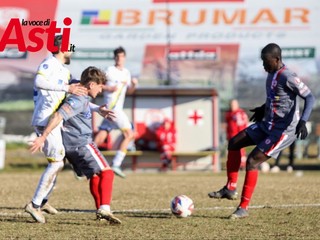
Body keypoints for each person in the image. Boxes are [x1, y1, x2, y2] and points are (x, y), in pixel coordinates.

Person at [208, 43, 315, 219]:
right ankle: (230, 188)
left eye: (266, 61)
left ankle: (243, 208)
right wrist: (262, 108)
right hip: (268, 123)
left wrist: (303, 121)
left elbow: (309, 97)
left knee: (252, 161)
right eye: (262, 61)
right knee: (234, 143)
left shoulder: (288, 76)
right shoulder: (271, 75)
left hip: (283, 130)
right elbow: (278, 98)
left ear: (277, 59)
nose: (263, 65)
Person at [30, 66, 121, 224]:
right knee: (107, 173)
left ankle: (101, 210)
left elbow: (79, 99)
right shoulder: (78, 98)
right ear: (91, 84)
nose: (100, 91)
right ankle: (104, 208)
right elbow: (59, 115)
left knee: (94, 175)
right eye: (100, 87)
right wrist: (43, 136)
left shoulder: (80, 94)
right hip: (82, 143)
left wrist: (98, 109)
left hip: (71, 147)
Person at [25, 35, 88, 223]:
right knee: (56, 163)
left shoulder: (63, 70)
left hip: (53, 120)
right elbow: (39, 81)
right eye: (70, 46)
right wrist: (67, 88)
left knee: (59, 161)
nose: (72, 50)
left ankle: (42, 201)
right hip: (46, 120)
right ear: (61, 48)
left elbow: (73, 90)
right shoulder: (49, 63)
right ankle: (34, 205)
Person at [94, 46, 138, 178]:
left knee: (101, 135)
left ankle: (85, 161)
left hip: (112, 110)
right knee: (130, 134)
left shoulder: (126, 72)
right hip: (114, 109)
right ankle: (116, 164)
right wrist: (109, 88)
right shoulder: (109, 71)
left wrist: (134, 85)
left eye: (122, 57)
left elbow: (129, 91)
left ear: (124, 58)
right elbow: (99, 86)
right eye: (117, 57)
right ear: (114, 58)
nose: (120, 59)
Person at [225, 99, 249, 169]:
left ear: (237, 105)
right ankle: (234, 165)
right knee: (232, 152)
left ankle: (242, 165)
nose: (232, 106)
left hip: (238, 136)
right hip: (231, 136)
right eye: (231, 104)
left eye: (234, 104)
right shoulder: (229, 113)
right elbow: (228, 125)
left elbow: (243, 125)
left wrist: (242, 136)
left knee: (241, 151)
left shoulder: (240, 113)